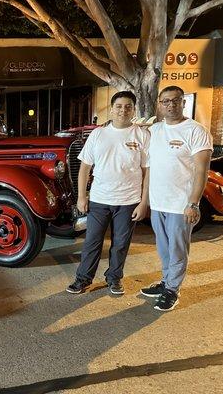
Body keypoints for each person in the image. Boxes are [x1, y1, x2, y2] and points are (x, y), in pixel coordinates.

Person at [67, 91, 150, 295]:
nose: (123, 110)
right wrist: (81, 196)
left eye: (128, 106)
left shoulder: (142, 135)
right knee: (91, 242)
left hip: (129, 201)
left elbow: (148, 171)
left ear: (133, 110)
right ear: (112, 109)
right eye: (119, 106)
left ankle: (114, 279)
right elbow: (85, 167)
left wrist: (143, 203)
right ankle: (83, 279)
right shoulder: (98, 134)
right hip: (99, 199)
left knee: (120, 244)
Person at [140, 85, 212, 311]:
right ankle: (166, 282)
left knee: (178, 249)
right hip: (158, 202)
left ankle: (172, 290)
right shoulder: (155, 131)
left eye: (175, 100)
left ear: (183, 103)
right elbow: (150, 167)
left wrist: (193, 203)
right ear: (159, 105)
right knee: (163, 248)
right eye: (165, 101)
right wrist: (146, 200)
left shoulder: (196, 131)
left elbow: (202, 171)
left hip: (181, 205)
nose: (170, 105)